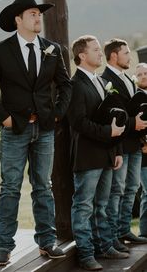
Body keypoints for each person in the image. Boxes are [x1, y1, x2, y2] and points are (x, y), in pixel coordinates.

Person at [0, 0, 72, 266]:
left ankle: (46, 242)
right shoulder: (1, 49)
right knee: (10, 188)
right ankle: (3, 246)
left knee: (44, 186)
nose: (38, 17)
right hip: (14, 129)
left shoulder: (52, 48)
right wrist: (4, 118)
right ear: (18, 19)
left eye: (39, 13)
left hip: (44, 129)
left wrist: (56, 115)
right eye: (32, 13)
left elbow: (66, 85)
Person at [68, 35, 128, 271]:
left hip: (106, 153)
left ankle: (105, 246)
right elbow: (78, 122)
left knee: (101, 205)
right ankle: (85, 254)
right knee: (83, 206)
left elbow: (109, 118)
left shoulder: (102, 83)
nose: (100, 53)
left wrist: (117, 149)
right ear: (82, 55)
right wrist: (108, 132)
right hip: (87, 154)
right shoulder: (75, 85)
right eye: (95, 50)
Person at [102, 39, 147, 246]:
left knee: (131, 190)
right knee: (117, 191)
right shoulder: (105, 81)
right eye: (126, 53)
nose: (130, 56)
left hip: (136, 144)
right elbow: (112, 115)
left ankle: (124, 230)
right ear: (114, 56)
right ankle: (111, 236)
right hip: (120, 144)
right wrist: (133, 123)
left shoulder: (129, 80)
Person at [134, 62, 147, 237]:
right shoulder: (134, 98)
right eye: (140, 75)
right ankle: (144, 234)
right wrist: (143, 143)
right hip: (144, 154)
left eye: (145, 73)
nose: (143, 77)